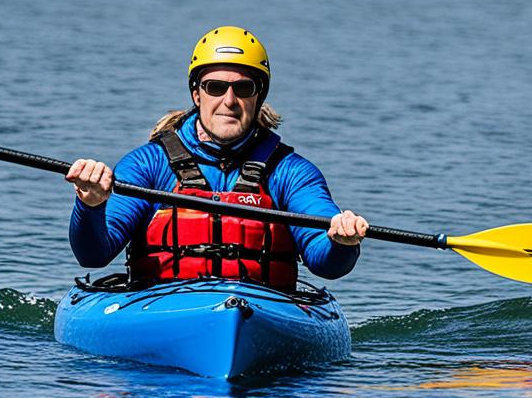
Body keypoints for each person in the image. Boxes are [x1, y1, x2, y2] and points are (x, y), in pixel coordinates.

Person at [66, 26, 368, 290]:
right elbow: (93, 255)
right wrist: (91, 205)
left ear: (258, 96)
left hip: (259, 310)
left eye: (244, 88)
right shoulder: (148, 165)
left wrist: (341, 242)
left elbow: (326, 263)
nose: (229, 100)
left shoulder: (290, 173)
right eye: (215, 87)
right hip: (160, 304)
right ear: (197, 94)